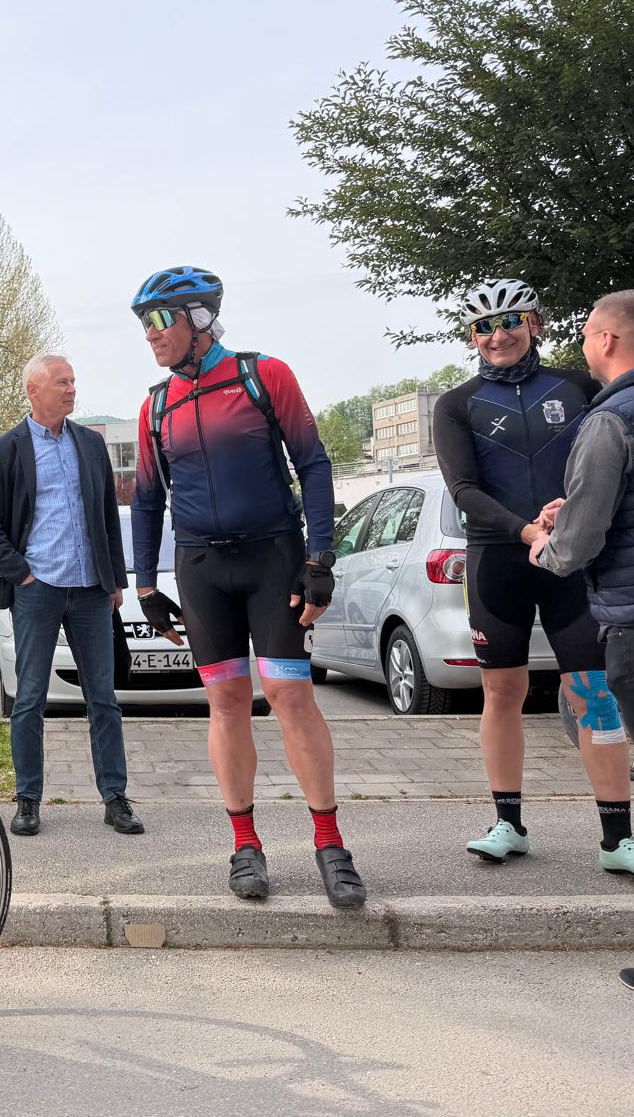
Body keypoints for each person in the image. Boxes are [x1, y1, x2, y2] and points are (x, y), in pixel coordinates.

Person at [130, 266, 365, 908]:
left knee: (290, 694)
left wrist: (320, 559)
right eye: (143, 324)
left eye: (160, 320)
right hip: (202, 567)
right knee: (227, 701)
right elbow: (147, 500)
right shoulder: (156, 405)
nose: (150, 334)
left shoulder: (264, 376)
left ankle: (330, 843)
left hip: (272, 557)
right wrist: (146, 587)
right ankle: (245, 845)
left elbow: (313, 464)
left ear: (200, 319)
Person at [433, 279, 634, 883]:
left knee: (594, 691)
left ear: (534, 324)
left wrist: (563, 526)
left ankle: (618, 838)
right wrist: (525, 532)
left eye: (510, 321)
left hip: (571, 561)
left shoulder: (579, 386)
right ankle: (507, 824)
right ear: (472, 337)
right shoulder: (455, 403)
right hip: (499, 560)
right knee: (501, 693)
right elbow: (463, 490)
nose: (497, 335)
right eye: (484, 327)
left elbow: (607, 466)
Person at [527, 288, 634, 1001]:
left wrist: (546, 544)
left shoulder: (610, 419)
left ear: (608, 340)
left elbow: (580, 541)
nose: (584, 343)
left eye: (587, 332)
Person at [0, 354, 143, 838]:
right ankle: (28, 798)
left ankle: (115, 797)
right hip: (38, 591)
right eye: (62, 382)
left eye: (73, 382)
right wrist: (21, 574)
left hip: (90, 591)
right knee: (29, 698)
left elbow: (107, 516)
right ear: (34, 390)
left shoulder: (90, 443)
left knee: (103, 699)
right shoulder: (4, 449)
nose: (71, 389)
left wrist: (115, 581)